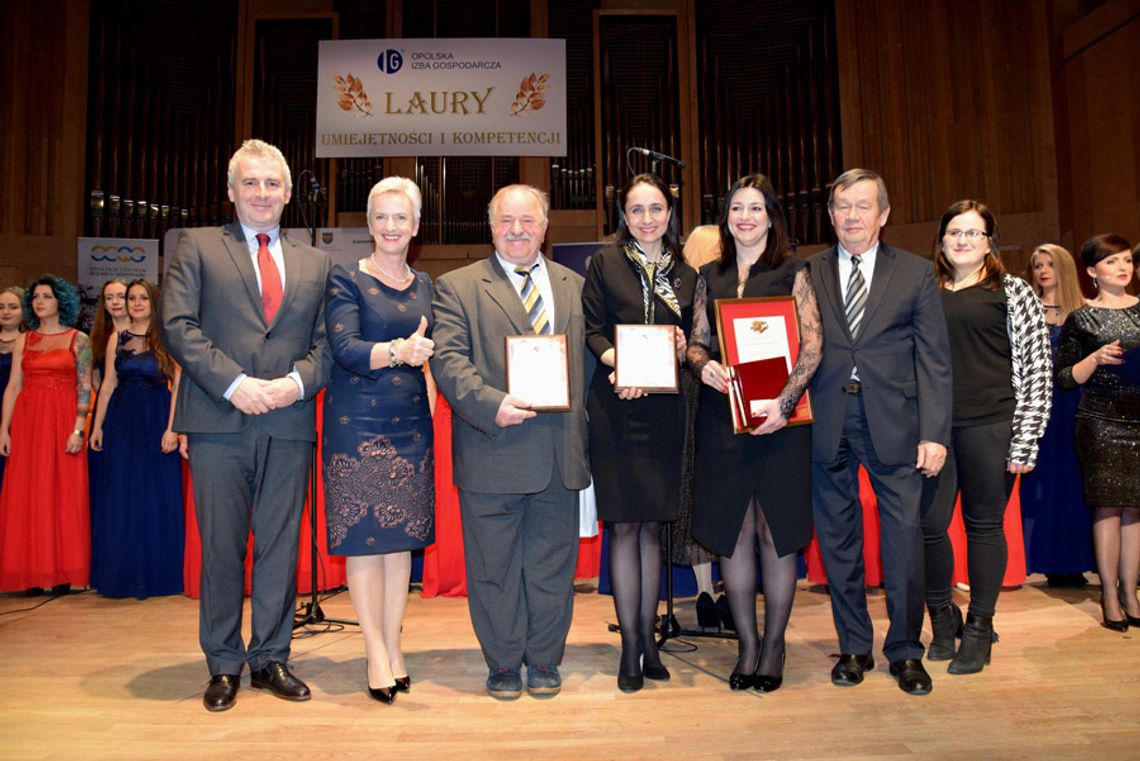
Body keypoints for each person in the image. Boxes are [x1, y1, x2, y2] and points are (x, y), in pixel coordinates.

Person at [161, 139, 331, 712]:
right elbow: (178, 325)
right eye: (250, 184)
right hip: (218, 419)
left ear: (287, 192)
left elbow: (327, 343)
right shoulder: (199, 246)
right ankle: (224, 663)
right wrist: (236, 383)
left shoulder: (316, 260)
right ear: (232, 191)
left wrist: (294, 384)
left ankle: (271, 658)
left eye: (272, 184)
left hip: (288, 420)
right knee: (222, 547)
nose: (262, 194)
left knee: (280, 546)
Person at [430, 184, 590, 701]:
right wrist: (489, 403)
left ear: (545, 227)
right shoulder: (457, 287)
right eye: (506, 221)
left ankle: (544, 658)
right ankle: (502, 662)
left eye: (528, 220)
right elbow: (448, 361)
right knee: (493, 568)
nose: (517, 229)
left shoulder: (575, 285)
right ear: (490, 225)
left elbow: (592, 359)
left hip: (558, 453)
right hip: (492, 446)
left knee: (551, 565)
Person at [809, 168, 952, 696]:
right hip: (826, 423)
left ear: (884, 214)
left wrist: (934, 432)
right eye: (842, 206)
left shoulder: (915, 274)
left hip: (897, 425)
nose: (852, 216)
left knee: (902, 544)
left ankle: (906, 650)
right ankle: (853, 646)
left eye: (863, 206)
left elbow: (935, 360)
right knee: (839, 543)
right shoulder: (810, 271)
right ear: (830, 215)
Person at [688, 173, 822, 692]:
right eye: (736, 208)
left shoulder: (794, 272)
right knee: (734, 533)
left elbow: (813, 346)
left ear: (771, 216)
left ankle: (774, 645)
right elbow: (697, 343)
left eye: (756, 208)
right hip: (723, 419)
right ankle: (746, 645)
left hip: (781, 422)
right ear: (727, 216)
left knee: (775, 531)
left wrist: (784, 403)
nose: (745, 216)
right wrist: (705, 369)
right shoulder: (708, 274)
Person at [919, 201, 1052, 674]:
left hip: (992, 424)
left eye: (974, 234)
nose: (962, 241)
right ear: (941, 240)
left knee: (983, 526)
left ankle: (979, 628)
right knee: (929, 525)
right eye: (954, 232)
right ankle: (940, 616)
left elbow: (1038, 370)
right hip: (934, 429)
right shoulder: (925, 289)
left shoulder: (1012, 291)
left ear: (990, 242)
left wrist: (1026, 439)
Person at [322, 177, 436, 704]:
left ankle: (394, 647)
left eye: (401, 218)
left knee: (400, 546)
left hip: (412, 427)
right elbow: (344, 348)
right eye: (381, 217)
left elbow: (431, 358)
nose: (391, 227)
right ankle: (373, 653)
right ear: (368, 224)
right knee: (365, 544)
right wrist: (398, 352)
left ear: (415, 225)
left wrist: (429, 393)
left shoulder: (427, 285)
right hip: (357, 429)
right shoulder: (345, 277)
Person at [583, 174, 696, 692]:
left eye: (656, 209)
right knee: (624, 526)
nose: (647, 218)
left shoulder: (689, 274)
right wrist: (620, 366)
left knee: (652, 526)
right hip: (616, 403)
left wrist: (682, 348)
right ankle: (630, 644)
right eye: (636, 209)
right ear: (624, 216)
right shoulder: (605, 264)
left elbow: (697, 341)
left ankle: (650, 640)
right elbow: (592, 329)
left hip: (666, 411)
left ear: (669, 215)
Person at [1056, 234, 1140, 631]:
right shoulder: (1082, 318)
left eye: (1126, 260)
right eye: (1111, 262)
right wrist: (1096, 357)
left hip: (1139, 417)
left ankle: (1131, 592)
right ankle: (1109, 594)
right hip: (1100, 420)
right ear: (1092, 272)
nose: (1122, 268)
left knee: (1136, 508)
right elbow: (1065, 378)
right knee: (1108, 506)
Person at [88, 279, 184, 598]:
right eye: (132, 298)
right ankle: (122, 574)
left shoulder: (167, 338)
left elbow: (179, 385)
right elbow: (108, 385)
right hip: (122, 421)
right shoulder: (118, 336)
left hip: (156, 419)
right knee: (121, 494)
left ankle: (158, 575)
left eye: (143, 298)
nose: (136, 303)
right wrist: (97, 426)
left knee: (156, 495)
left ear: (153, 302)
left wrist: (173, 428)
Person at [0, 275, 91, 594]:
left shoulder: (78, 339)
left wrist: (79, 428)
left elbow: (84, 387)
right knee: (29, 492)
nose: (39, 302)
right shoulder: (24, 340)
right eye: (36, 297)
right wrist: (4, 429)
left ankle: (64, 571)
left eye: (46, 297)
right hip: (28, 422)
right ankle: (31, 571)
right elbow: (13, 386)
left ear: (60, 301)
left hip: (63, 419)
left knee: (64, 493)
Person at [1020, 244, 1094, 586]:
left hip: (1077, 404)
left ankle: (1077, 559)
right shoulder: (1027, 310)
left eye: (1049, 264)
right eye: (1037, 265)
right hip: (1040, 405)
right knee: (1042, 483)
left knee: (1076, 482)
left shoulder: (1086, 312)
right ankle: (1045, 558)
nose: (1042, 270)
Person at [0, 286, 25, 490]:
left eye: (13, 307)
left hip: (17, 415)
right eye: (1, 307)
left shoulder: (31, 342)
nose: (6, 312)